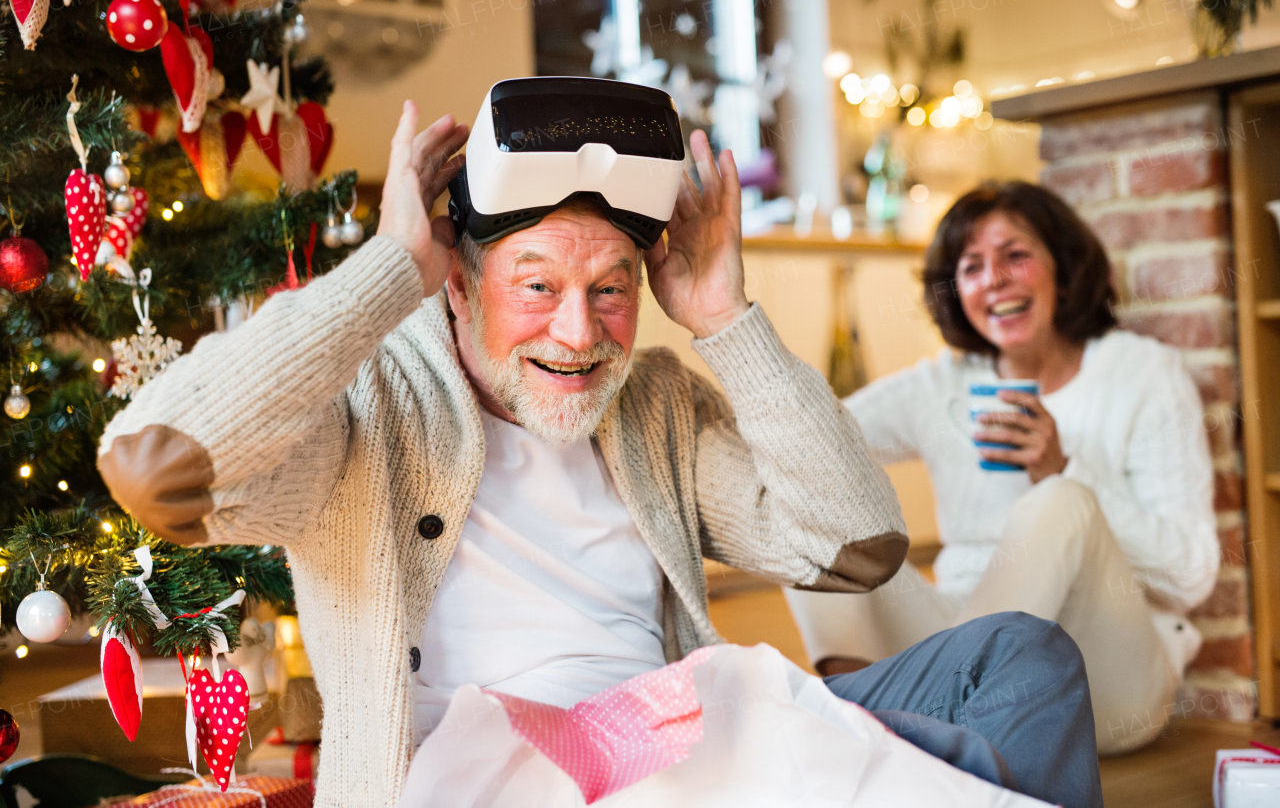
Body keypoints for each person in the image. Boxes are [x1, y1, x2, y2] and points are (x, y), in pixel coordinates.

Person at [97, 81, 1100, 807]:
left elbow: (854, 543)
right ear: (457, 282)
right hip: (500, 774)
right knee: (915, 763)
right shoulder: (368, 415)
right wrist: (385, 268)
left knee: (1018, 653)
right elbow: (157, 459)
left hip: (680, 734)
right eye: (535, 286)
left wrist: (724, 316)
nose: (577, 335)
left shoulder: (653, 402)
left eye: (610, 289)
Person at [786, 180, 1219, 756]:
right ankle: (854, 716)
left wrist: (1067, 471)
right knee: (803, 478)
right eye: (972, 267)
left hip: (1108, 680)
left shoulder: (1143, 375)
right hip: (955, 634)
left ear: (1062, 268)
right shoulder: (945, 381)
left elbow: (1190, 576)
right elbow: (807, 441)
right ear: (957, 291)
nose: (994, 279)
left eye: (1016, 255)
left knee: (1060, 501)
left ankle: (927, 729)